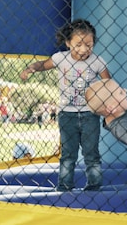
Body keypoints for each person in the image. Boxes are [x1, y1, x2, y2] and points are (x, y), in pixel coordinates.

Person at [20, 19, 111, 191]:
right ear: (68, 43)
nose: (84, 50)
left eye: (89, 45)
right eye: (78, 45)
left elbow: (108, 83)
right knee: (68, 154)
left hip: (89, 113)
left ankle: (94, 185)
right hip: (66, 114)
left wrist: (106, 103)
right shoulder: (60, 58)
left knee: (91, 153)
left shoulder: (98, 61)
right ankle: (64, 185)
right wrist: (31, 68)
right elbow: (43, 65)